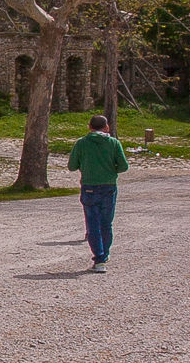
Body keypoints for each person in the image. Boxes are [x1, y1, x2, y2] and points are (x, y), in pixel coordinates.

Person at [66, 113, 129, 273]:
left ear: (90, 127)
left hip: (89, 186)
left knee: (92, 223)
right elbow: (123, 167)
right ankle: (104, 254)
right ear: (107, 127)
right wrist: (110, 169)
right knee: (106, 223)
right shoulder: (114, 143)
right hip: (108, 186)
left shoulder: (81, 143)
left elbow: (72, 166)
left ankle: (99, 257)